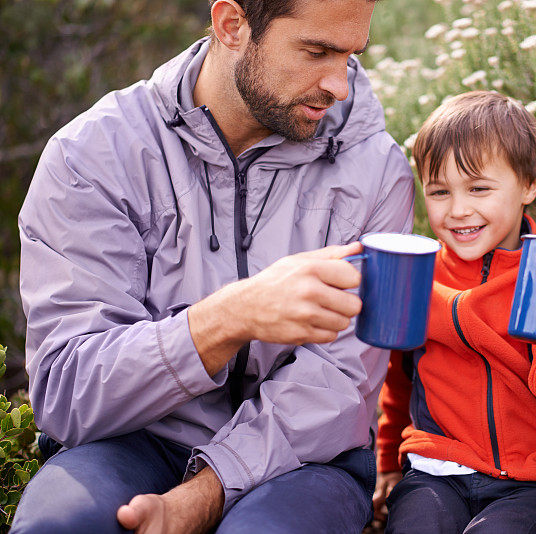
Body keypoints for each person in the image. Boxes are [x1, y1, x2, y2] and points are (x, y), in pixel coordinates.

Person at [12, 0, 414, 532]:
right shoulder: (92, 155)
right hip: (132, 440)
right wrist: (225, 319)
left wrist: (207, 494)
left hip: (306, 461)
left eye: (350, 56)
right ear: (232, 25)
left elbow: (339, 384)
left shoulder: (376, 170)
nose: (339, 85)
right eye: (316, 51)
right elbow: (69, 390)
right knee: (60, 527)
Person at [371, 91, 536, 533]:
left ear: (530, 183)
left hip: (532, 486)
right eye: (439, 191)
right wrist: (386, 464)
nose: (458, 210)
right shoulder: (420, 275)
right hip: (434, 473)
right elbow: (399, 377)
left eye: (479, 188)